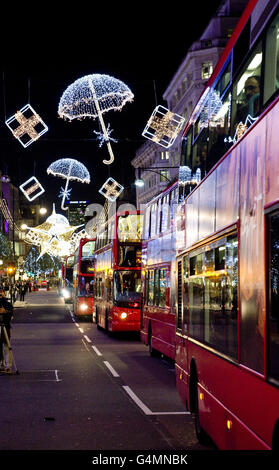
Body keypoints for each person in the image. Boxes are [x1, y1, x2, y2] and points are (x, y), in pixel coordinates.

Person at [0, 289, 14, 373]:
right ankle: (1, 365)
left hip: (6, 327)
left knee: (7, 347)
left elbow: (11, 315)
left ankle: (8, 366)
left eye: (1, 293)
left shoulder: (8, 304)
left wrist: (4, 311)